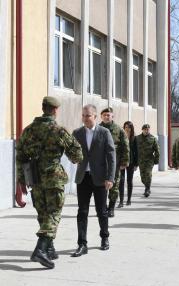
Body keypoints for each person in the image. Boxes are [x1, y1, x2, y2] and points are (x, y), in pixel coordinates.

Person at [16, 96, 83, 269]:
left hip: (35, 179)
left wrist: (21, 180)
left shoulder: (28, 130)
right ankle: (40, 249)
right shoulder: (59, 131)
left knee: (43, 214)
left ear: (43, 108)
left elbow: (20, 157)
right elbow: (77, 155)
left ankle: (50, 249)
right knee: (53, 215)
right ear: (54, 110)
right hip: (53, 178)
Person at [71, 104, 116, 257]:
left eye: (88, 115)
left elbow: (111, 156)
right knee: (82, 211)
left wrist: (110, 178)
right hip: (83, 177)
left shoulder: (104, 132)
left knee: (101, 211)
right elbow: (71, 152)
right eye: (83, 115)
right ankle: (82, 244)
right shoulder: (77, 133)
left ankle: (104, 238)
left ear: (95, 116)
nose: (85, 118)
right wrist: (73, 158)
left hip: (100, 178)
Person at [100, 107, 129, 217]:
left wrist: (124, 162)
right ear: (101, 116)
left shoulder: (119, 130)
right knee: (101, 186)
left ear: (113, 116)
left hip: (115, 163)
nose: (107, 117)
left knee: (114, 185)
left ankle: (111, 208)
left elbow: (125, 146)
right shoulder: (97, 129)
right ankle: (103, 207)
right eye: (105, 115)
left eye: (109, 115)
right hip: (100, 163)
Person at [118, 121, 138, 207]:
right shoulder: (120, 136)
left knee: (129, 181)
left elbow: (137, 152)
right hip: (122, 161)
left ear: (131, 128)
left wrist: (136, 164)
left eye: (129, 127)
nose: (127, 128)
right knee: (121, 181)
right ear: (124, 127)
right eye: (126, 127)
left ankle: (129, 200)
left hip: (131, 162)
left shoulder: (134, 138)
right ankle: (121, 201)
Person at [136, 124, 160, 197]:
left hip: (149, 160)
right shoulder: (137, 138)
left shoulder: (153, 138)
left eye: (148, 129)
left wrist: (156, 160)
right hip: (140, 160)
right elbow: (134, 149)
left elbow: (157, 150)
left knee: (148, 174)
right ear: (142, 130)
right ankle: (146, 186)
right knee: (142, 177)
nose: (146, 131)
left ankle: (147, 189)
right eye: (145, 129)